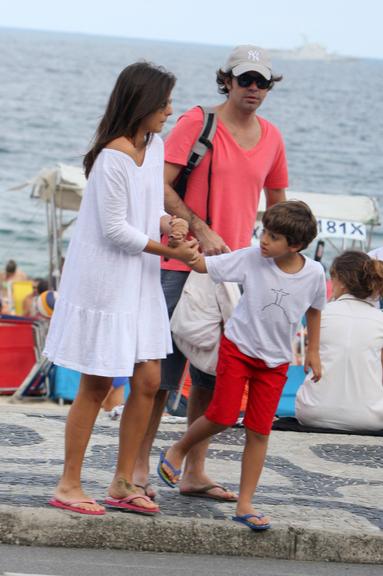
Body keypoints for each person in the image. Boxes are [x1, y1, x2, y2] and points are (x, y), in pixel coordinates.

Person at [133, 44, 289, 501]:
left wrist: (279, 264)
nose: (254, 89)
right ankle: (138, 467)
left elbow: (279, 207)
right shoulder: (196, 123)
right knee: (159, 374)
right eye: (245, 80)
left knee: (211, 374)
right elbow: (157, 186)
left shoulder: (273, 138)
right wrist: (200, 226)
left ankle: (194, 472)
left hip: (234, 273)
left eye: (262, 81)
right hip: (179, 261)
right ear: (228, 80)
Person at [43, 62, 199, 516]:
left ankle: (122, 481)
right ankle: (69, 484)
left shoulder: (155, 147)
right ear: (143, 102)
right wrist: (177, 253)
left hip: (140, 281)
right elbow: (114, 230)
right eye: (165, 102)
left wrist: (170, 224)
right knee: (96, 384)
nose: (171, 110)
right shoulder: (112, 156)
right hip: (107, 281)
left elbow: (145, 210)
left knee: (149, 381)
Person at [157, 200, 326, 529]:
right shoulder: (251, 257)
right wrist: (185, 252)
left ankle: (245, 504)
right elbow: (206, 267)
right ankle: (178, 450)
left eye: (273, 237)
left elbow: (315, 309)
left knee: (259, 431)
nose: (264, 240)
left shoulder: (314, 274)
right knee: (221, 414)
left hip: (275, 362)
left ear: (296, 245)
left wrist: (314, 352)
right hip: (238, 349)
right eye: (264, 232)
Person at [296, 250, 383, 432]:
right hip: (369, 417)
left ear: (341, 281)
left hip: (313, 412)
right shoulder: (379, 320)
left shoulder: (320, 315)